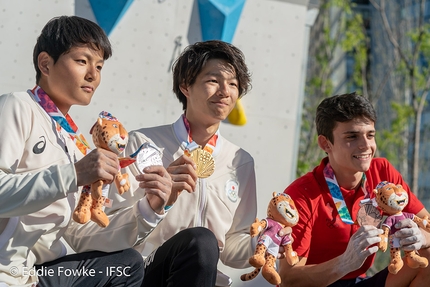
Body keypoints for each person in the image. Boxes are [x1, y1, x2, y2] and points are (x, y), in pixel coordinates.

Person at [65, 40, 265, 287]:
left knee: (204, 244)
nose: (225, 91)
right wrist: (151, 207)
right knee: (200, 241)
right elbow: (86, 234)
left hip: (206, 280)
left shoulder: (241, 162)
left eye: (233, 84)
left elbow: (232, 248)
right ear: (186, 86)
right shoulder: (142, 144)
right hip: (145, 274)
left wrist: (263, 242)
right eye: (213, 81)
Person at [0, 15, 172, 287]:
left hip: (36, 275)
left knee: (127, 265)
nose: (93, 75)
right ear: (45, 63)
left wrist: (148, 209)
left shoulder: (74, 140)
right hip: (5, 272)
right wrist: (73, 174)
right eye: (82, 61)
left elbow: (81, 235)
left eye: (100, 66)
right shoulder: (17, 106)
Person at [279, 92, 430, 287]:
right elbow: (288, 279)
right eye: (352, 136)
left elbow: (427, 225)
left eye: (370, 135)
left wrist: (422, 238)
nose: (366, 145)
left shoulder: (382, 172)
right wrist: (344, 263)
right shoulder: (301, 195)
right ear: (326, 143)